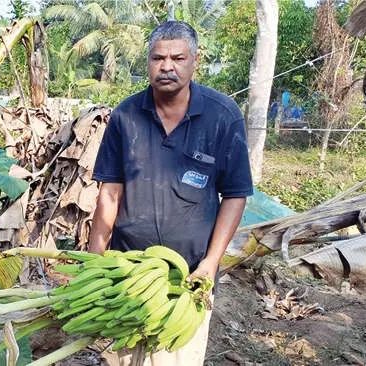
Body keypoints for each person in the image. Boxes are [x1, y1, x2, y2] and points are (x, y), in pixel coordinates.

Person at [88, 21, 253, 365]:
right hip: (128, 274)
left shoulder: (222, 117)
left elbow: (235, 195)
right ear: (147, 62)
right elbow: (110, 193)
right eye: (158, 58)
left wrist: (211, 263)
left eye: (178, 57)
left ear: (194, 61)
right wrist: (95, 260)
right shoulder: (126, 117)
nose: (167, 66)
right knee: (122, 357)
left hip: (188, 278)